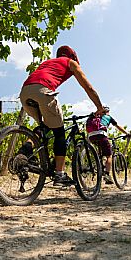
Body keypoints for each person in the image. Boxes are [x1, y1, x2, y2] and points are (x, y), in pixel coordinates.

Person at [18, 45, 105, 185]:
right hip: (43, 91)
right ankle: (60, 174)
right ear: (73, 56)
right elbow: (88, 87)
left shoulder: (47, 62)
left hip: (25, 92)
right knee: (59, 133)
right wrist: (99, 107)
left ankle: (25, 151)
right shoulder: (71, 63)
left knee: (44, 127)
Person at [87, 106, 130, 184]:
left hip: (91, 136)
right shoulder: (108, 117)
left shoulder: (94, 115)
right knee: (109, 156)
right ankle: (107, 175)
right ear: (107, 112)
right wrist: (126, 133)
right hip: (101, 135)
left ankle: (98, 163)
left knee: (100, 152)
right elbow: (118, 126)